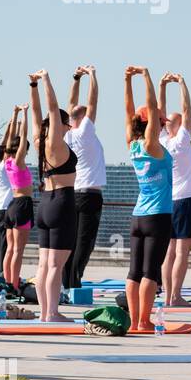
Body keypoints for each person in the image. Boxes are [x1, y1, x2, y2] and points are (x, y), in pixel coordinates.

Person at [123, 66, 172, 332]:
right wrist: (145, 76)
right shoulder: (153, 146)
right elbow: (152, 108)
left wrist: (126, 80)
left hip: (138, 216)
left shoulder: (133, 144)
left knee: (134, 271)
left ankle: (133, 321)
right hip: (158, 216)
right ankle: (143, 321)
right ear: (152, 124)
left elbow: (130, 110)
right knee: (151, 271)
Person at [29, 69, 77, 323]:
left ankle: (44, 313)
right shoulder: (55, 143)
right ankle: (52, 312)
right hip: (61, 202)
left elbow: (37, 114)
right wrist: (46, 79)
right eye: (67, 123)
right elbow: (51, 108)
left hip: (45, 203)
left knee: (44, 264)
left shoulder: (39, 141)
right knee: (56, 265)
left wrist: (33, 86)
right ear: (62, 124)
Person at [158, 73, 191, 307]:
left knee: (169, 251)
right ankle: (175, 296)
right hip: (184, 200)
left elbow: (160, 112)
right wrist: (182, 84)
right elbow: (187, 108)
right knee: (182, 252)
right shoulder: (182, 141)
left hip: (168, 201)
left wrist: (162, 86)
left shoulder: (162, 141)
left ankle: (168, 296)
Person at [63, 64, 105, 289]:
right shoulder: (85, 132)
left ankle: (67, 278)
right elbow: (93, 102)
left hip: (74, 192)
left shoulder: (67, 134)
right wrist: (92, 76)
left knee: (71, 239)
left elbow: (71, 106)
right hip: (89, 193)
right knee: (85, 241)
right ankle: (74, 280)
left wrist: (76, 79)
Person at [1, 104, 33, 291]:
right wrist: (25, 114)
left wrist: (14, 114)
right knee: (18, 250)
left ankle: (7, 283)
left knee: (10, 248)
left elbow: (11, 140)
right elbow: (22, 137)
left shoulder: (7, 161)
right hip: (22, 205)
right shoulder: (19, 161)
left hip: (12, 204)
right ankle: (13, 285)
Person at [0, 115, 16, 280]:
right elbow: (9, 146)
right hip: (6, 206)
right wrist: (15, 126)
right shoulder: (5, 166)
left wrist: (10, 123)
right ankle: (1, 271)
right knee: (4, 243)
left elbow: (2, 143)